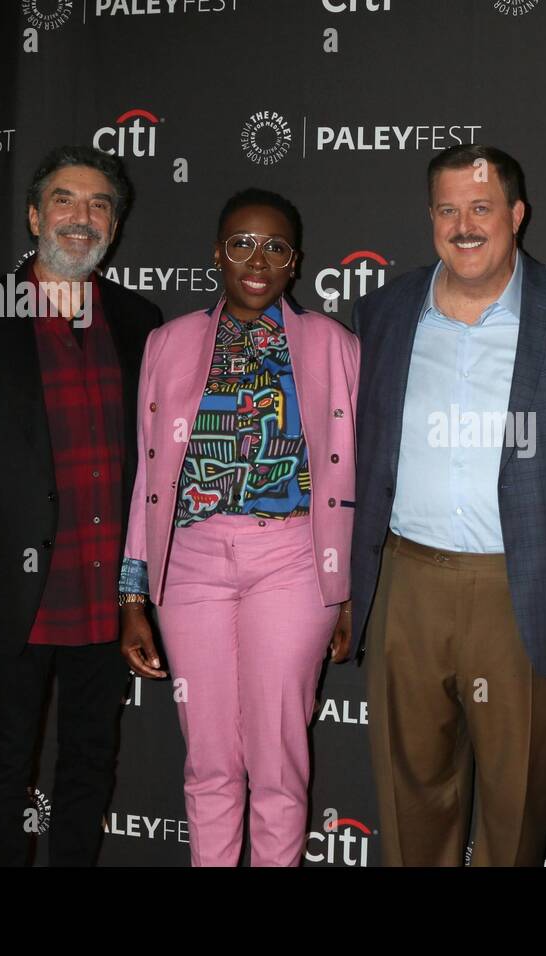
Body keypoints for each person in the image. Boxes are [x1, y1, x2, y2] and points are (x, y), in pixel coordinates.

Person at [340, 144, 546, 866]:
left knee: (516, 807)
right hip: (407, 587)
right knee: (410, 802)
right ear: (431, 217)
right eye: (447, 209)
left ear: (517, 215)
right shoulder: (381, 314)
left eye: (482, 207)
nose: (464, 225)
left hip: (525, 591)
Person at [0, 145, 162, 866]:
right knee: (4, 771)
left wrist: (142, 592)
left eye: (98, 206)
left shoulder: (140, 320)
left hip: (109, 598)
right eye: (65, 200)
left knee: (90, 765)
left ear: (114, 228)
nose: (81, 218)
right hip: (10, 600)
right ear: (34, 215)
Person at [118, 188, 358, 867]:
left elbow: (353, 482)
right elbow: (149, 474)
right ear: (217, 253)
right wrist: (132, 592)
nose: (258, 258)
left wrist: (345, 591)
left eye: (275, 246)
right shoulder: (169, 343)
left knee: (279, 762)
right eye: (242, 243)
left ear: (295, 263)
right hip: (190, 564)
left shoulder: (333, 345)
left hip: (292, 560)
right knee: (210, 760)